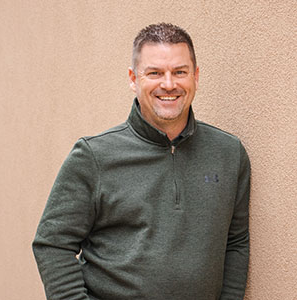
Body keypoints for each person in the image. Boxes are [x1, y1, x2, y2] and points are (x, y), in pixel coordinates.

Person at [33, 23, 250, 300]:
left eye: (180, 72)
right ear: (134, 79)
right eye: (155, 73)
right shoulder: (93, 156)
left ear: (195, 77)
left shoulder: (228, 153)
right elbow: (52, 243)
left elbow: (236, 242)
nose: (169, 84)